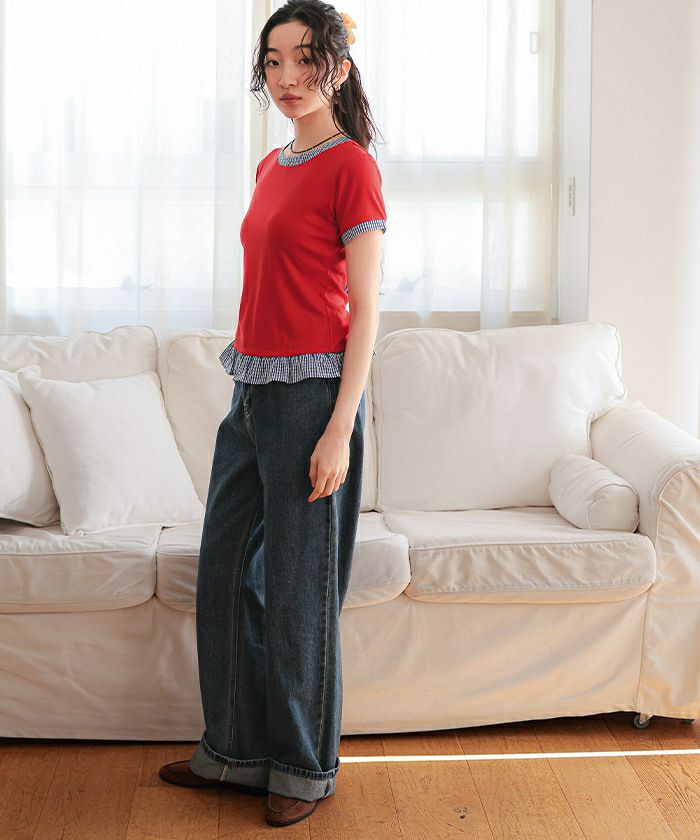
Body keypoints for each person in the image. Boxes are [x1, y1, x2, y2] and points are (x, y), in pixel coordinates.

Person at [159, 0, 387, 828]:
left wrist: (338, 428)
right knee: (224, 574)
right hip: (249, 392)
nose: (288, 77)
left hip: (312, 399)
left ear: (338, 68)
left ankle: (301, 767)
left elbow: (367, 310)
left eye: (305, 59)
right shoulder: (271, 165)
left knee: (298, 593)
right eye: (274, 61)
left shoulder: (351, 166)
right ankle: (233, 750)